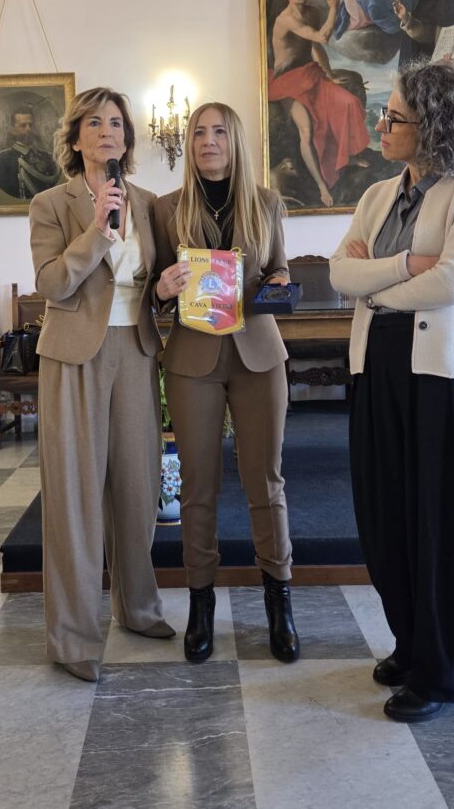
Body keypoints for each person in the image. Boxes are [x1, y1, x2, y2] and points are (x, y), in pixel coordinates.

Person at [329, 59, 454, 722]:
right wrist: (403, 266)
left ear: (432, 125)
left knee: (444, 522)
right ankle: (411, 643)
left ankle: (442, 672)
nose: (380, 125)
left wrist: (375, 284)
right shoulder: (376, 195)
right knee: (386, 515)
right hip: (377, 366)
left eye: (393, 117)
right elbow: (340, 274)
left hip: (445, 375)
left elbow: (452, 282)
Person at [29, 87, 173, 683]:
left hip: (135, 349)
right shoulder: (51, 203)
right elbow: (51, 284)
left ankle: (138, 608)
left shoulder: (148, 203)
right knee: (74, 494)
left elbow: (151, 281)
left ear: (127, 137)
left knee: (138, 487)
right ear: (76, 137)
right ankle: (73, 636)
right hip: (72, 356)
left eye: (116, 122)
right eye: (94, 123)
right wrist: (94, 231)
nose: (107, 131)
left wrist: (166, 288)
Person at [153, 102, 299, 665]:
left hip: (258, 352)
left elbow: (279, 268)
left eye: (218, 131)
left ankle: (279, 601)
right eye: (198, 132)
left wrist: (279, 279)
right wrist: (163, 288)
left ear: (234, 140)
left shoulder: (267, 202)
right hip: (192, 356)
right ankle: (201, 604)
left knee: (266, 481)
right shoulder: (167, 209)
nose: (207, 141)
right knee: (198, 487)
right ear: (188, 143)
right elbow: (152, 290)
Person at [269, 0, 370, 207]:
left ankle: (346, 157)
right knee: (307, 131)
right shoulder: (285, 20)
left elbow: (315, 47)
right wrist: (333, 9)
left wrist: (330, 73)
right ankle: (322, 186)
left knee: (349, 102)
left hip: (310, 74)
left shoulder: (312, 13)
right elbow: (322, 36)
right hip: (286, 83)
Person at [0, 106, 59, 199]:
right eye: (23, 126)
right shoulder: (1, 160)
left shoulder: (48, 157)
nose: (28, 129)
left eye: (31, 125)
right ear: (12, 130)